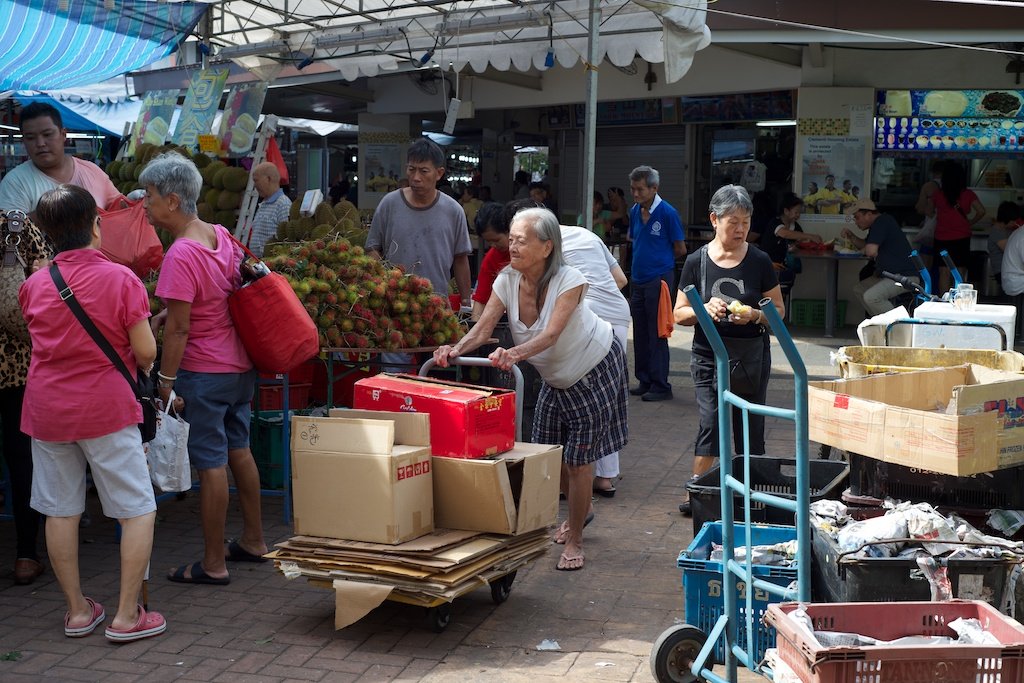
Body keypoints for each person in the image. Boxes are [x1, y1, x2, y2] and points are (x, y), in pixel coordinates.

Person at [432, 208, 628, 571]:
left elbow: (551, 333)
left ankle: (575, 540)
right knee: (552, 455)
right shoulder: (506, 279)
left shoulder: (571, 280)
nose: (513, 246)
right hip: (555, 375)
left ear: (547, 247)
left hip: (593, 367)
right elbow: (482, 326)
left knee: (580, 461)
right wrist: (454, 349)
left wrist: (516, 353)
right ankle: (581, 512)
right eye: (512, 239)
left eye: (522, 240)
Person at [20, 184, 166, 642]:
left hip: (47, 410)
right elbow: (145, 352)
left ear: (45, 233)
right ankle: (126, 616)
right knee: (136, 510)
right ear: (96, 226)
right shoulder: (122, 279)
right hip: (106, 408)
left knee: (59, 511)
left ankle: (78, 611)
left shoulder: (34, 284)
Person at [140, 153, 268, 586]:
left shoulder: (180, 253)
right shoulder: (220, 236)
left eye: (151, 195)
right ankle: (254, 540)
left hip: (205, 372)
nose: (144, 203)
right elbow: (210, 302)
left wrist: (165, 381)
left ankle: (213, 564)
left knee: (210, 463)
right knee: (240, 450)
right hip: (239, 367)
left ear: (173, 200)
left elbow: (179, 329)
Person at [674, 185, 783, 516]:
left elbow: (778, 311)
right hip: (709, 355)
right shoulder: (697, 262)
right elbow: (679, 314)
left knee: (750, 423)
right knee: (711, 420)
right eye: (733, 221)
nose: (740, 229)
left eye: (746, 222)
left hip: (751, 355)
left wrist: (753, 314)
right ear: (714, 219)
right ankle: (700, 488)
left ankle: (751, 490)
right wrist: (703, 309)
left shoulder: (760, 260)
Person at [1, 212, 51, 585]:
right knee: (23, 461)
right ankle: (25, 555)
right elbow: (47, 282)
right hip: (15, 367)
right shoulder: (14, 225)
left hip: (16, 370)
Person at [367, 138, 472, 305]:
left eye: (424, 171)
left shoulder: (453, 211)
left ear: (439, 173)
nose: (416, 177)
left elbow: (460, 259)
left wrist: (466, 301)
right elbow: (373, 249)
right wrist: (383, 283)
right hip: (394, 302)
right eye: (411, 169)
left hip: (436, 304)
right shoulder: (389, 204)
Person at [627, 165, 686, 402]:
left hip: (658, 279)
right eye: (633, 189)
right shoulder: (634, 211)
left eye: (640, 189)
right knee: (640, 332)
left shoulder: (668, 213)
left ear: (654, 188)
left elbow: (680, 248)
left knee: (658, 332)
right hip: (638, 279)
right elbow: (633, 240)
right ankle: (645, 380)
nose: (636, 194)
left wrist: (661, 265)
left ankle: (661, 385)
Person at [0, 102, 119, 214]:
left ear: (63, 134)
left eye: (47, 134)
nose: (40, 143)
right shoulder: (14, 183)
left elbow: (118, 208)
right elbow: (10, 232)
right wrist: (49, 214)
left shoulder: (93, 171)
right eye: (31, 137)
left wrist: (133, 202)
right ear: (23, 141)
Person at [841, 198, 919, 316]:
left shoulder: (882, 222)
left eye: (857, 217)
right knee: (860, 289)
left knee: (872, 297)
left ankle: (900, 327)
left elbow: (871, 251)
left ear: (868, 214)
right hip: (891, 275)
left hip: (904, 276)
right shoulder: (878, 224)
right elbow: (867, 246)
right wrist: (852, 237)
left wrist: (864, 250)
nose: (855, 222)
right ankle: (881, 324)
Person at [928, 162, 986, 294]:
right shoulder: (968, 194)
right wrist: (969, 222)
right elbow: (981, 211)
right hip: (961, 237)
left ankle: (944, 303)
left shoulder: (937, 194)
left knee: (944, 271)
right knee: (960, 271)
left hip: (941, 237)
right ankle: (959, 302)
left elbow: (929, 212)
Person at [762, 193, 823, 289]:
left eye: (799, 213)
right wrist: (810, 236)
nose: (798, 215)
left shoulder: (796, 227)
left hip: (785, 268)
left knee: (784, 291)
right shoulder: (775, 223)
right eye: (796, 212)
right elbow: (784, 233)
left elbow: (800, 242)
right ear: (786, 211)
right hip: (769, 266)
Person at [470, 201, 512, 321]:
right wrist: (474, 329)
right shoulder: (491, 258)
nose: (493, 245)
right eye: (488, 241)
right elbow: (481, 300)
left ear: (509, 229)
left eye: (496, 240)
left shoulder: (530, 252)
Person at [247, 162, 291, 257]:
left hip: (271, 265)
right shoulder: (263, 204)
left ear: (268, 179)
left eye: (256, 180)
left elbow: (288, 239)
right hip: (259, 264)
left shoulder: (283, 204)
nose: (254, 185)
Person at [989, 201, 1021, 300]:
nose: (1014, 223)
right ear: (1006, 219)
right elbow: (1011, 252)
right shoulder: (997, 233)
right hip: (1002, 271)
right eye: (1013, 221)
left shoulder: (1007, 230)